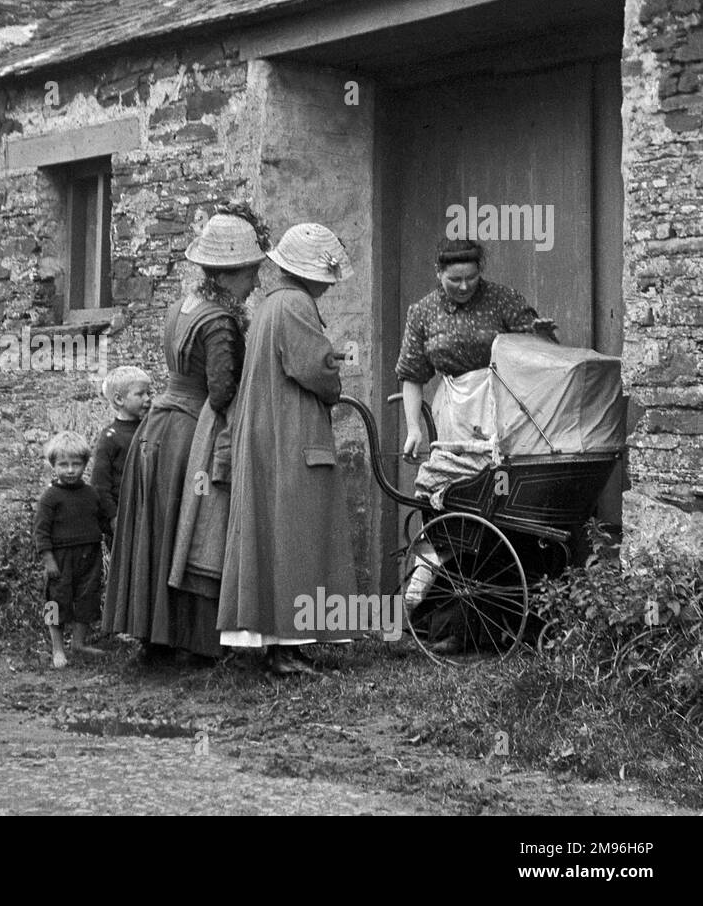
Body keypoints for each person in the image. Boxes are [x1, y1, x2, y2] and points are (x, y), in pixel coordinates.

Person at [104, 202, 265, 663]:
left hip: (155, 430)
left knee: (157, 532)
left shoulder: (184, 305)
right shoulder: (220, 321)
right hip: (191, 436)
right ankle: (194, 645)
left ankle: (153, 640)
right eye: (250, 271)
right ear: (229, 271)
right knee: (194, 532)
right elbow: (220, 391)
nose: (254, 282)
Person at [395, 238, 556, 655]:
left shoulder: (503, 299)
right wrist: (414, 427)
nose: (464, 286)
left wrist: (543, 337)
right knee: (453, 507)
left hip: (500, 403)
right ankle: (440, 621)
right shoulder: (423, 312)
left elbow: (538, 352)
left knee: (499, 502)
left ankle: (499, 622)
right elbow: (412, 374)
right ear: (438, 274)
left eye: (471, 278)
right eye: (454, 280)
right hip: (454, 406)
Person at [218, 222, 363, 675]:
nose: (328, 285)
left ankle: (282, 643)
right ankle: (287, 648)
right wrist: (334, 380)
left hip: (269, 430)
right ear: (311, 273)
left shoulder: (270, 305)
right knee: (297, 533)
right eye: (327, 276)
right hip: (291, 433)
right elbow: (314, 367)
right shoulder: (296, 304)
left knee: (279, 531)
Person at [35, 431, 115, 668]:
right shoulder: (50, 497)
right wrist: (48, 560)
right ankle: (57, 648)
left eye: (76, 465)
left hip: (90, 555)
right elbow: (41, 532)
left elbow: (101, 521)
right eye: (63, 465)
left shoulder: (91, 494)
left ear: (84, 464)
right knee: (55, 602)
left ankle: (78, 642)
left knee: (87, 599)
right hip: (61, 558)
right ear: (53, 466)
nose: (70, 470)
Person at [89, 365, 152, 513]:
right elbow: (100, 484)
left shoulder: (149, 429)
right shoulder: (110, 437)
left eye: (148, 393)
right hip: (124, 513)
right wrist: (112, 516)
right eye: (140, 394)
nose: (148, 399)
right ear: (119, 399)